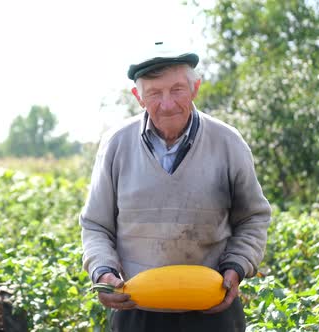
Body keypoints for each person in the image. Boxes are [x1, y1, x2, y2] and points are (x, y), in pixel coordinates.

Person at [80, 42, 272, 331]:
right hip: (136, 312)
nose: (167, 104)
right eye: (154, 93)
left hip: (211, 311)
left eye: (177, 90)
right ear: (138, 97)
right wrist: (103, 272)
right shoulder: (116, 145)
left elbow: (253, 217)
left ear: (195, 88)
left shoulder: (228, 143)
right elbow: (96, 225)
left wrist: (237, 266)